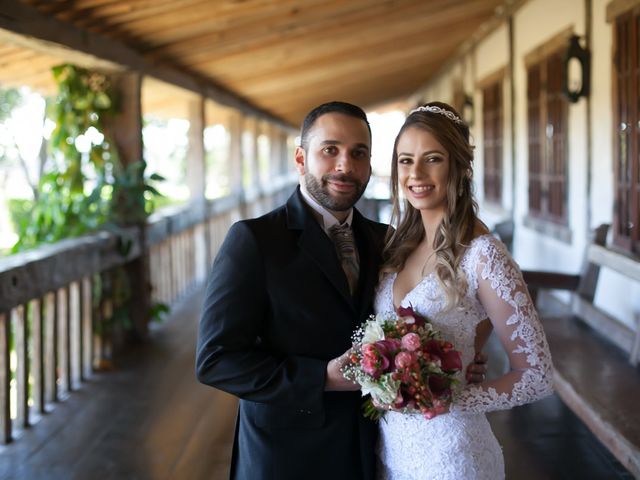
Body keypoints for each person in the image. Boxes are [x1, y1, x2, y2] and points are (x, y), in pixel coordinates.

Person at [196, 101, 487, 480]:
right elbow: (216, 360)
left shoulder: (386, 241)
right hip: (286, 457)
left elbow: (426, 316)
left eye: (358, 153)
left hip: (372, 448)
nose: (345, 166)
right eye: (330, 150)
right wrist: (322, 377)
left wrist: (459, 356)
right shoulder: (254, 240)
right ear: (301, 158)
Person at [373, 101, 554, 479]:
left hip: (453, 458)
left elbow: (537, 375)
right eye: (405, 160)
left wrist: (448, 397)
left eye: (432, 159)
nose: (416, 173)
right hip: (392, 452)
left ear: (460, 165)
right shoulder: (396, 246)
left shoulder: (483, 254)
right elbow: (466, 327)